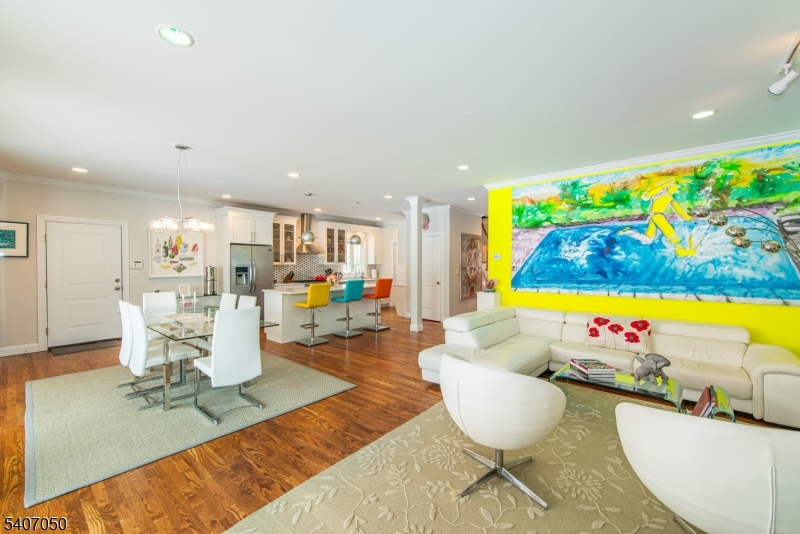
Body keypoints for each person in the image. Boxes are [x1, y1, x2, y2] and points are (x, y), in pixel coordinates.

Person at [620, 181, 697, 257]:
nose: (676, 189)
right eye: (674, 186)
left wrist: (685, 217)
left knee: (648, 239)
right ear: (668, 187)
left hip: (656, 217)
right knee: (670, 233)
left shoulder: (670, 198)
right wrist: (666, 183)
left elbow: (678, 209)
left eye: (676, 187)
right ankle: (680, 251)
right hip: (658, 216)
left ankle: (628, 231)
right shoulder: (659, 194)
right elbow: (647, 195)